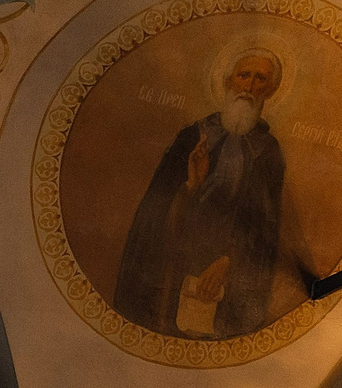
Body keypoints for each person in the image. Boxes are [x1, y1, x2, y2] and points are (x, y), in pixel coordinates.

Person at [112, 50, 293, 340]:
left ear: (270, 90)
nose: (249, 86)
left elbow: (264, 229)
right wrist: (191, 187)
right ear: (228, 81)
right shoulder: (192, 137)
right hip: (175, 267)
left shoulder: (268, 152)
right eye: (243, 75)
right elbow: (154, 215)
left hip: (227, 278)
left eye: (260, 79)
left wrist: (228, 262)